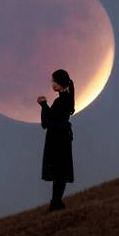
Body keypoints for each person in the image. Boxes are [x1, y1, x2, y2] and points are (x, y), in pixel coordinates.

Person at [36, 69, 75, 212]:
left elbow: (48, 122)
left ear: (60, 82)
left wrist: (44, 104)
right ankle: (56, 202)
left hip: (57, 139)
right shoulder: (67, 99)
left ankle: (56, 202)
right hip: (62, 138)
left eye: (54, 82)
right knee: (61, 172)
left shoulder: (61, 101)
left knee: (59, 172)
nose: (52, 84)